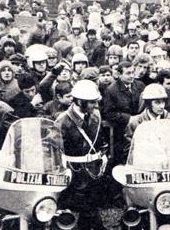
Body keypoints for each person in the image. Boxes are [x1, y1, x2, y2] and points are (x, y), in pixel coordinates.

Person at [56, 80, 108, 230]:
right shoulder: (62, 121)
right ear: (79, 101)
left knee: (91, 206)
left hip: (93, 170)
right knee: (78, 208)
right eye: (91, 102)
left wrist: (103, 155)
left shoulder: (95, 116)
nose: (95, 106)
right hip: (74, 171)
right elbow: (54, 149)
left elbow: (101, 141)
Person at [124, 83, 170, 152]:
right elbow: (129, 150)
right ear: (148, 104)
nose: (161, 106)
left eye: (163, 102)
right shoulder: (135, 122)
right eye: (157, 102)